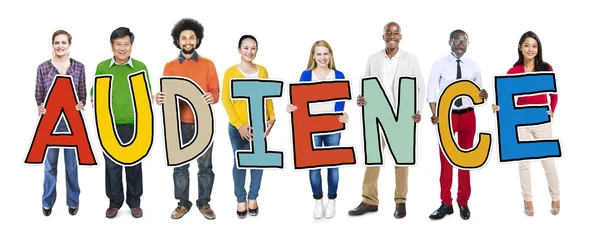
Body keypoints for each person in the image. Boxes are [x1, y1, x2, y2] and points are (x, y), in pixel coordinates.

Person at [348, 22, 425, 219]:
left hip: (401, 117)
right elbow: (366, 82)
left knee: (402, 162)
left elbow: (420, 87)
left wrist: (417, 110)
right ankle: (369, 201)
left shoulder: (410, 59)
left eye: (395, 33)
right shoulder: (373, 59)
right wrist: (361, 98)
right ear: (383, 36)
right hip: (378, 117)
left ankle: (400, 202)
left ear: (401, 37)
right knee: (373, 159)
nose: (392, 36)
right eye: (388, 33)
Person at [155, 18, 220, 220]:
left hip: (204, 123)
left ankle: (204, 203)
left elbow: (216, 92)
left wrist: (212, 96)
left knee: (205, 166)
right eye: (184, 38)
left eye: (192, 37)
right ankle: (183, 203)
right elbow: (166, 95)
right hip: (179, 124)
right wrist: (159, 98)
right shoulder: (170, 66)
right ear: (178, 40)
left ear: (198, 39)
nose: (188, 41)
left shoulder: (208, 64)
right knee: (180, 166)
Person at [492, 31, 560, 217]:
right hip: (520, 122)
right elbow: (505, 98)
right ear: (520, 47)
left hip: (540, 120)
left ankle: (555, 197)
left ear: (538, 49)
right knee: (524, 163)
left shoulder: (546, 67)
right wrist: (498, 107)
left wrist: (551, 109)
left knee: (548, 161)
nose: (531, 49)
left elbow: (553, 94)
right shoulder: (513, 72)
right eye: (527, 45)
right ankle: (527, 199)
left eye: (534, 46)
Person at [426, 29, 488, 220]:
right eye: (458, 41)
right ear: (450, 42)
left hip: (468, 116)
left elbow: (479, 95)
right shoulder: (439, 64)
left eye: (464, 42)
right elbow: (431, 93)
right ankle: (446, 203)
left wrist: (484, 96)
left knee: (466, 160)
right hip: (447, 116)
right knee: (446, 161)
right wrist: (434, 114)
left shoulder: (474, 66)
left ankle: (463, 202)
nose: (461, 45)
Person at [91, 27, 151, 219]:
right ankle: (114, 202)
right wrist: (92, 98)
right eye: (118, 44)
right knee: (112, 165)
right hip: (109, 124)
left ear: (131, 46)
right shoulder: (102, 67)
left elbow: (147, 92)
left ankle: (135, 202)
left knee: (134, 164)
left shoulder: (140, 66)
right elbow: (96, 91)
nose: (122, 48)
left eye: (126, 44)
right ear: (112, 46)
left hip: (135, 123)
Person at [286, 40, 350, 219]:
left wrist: (345, 117)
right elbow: (298, 100)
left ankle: (332, 200)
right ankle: (317, 200)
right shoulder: (306, 75)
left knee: (332, 164)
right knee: (313, 165)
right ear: (313, 56)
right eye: (319, 54)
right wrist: (290, 108)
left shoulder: (338, 75)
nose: (322, 57)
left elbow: (340, 103)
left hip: (332, 127)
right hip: (310, 127)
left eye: (325, 53)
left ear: (330, 55)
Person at [221, 35, 276, 219]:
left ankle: (253, 197)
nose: (249, 52)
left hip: (258, 125)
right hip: (238, 128)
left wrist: (271, 117)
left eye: (253, 48)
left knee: (258, 162)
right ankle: (240, 199)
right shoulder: (230, 72)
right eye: (245, 48)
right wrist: (239, 125)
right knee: (240, 163)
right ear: (239, 49)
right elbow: (226, 100)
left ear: (257, 50)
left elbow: (268, 96)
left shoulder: (262, 71)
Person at [35, 29, 86, 217]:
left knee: (72, 166)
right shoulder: (43, 68)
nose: (60, 46)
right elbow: (39, 94)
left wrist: (81, 103)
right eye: (57, 42)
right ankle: (47, 201)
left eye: (63, 42)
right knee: (50, 166)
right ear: (52, 45)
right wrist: (40, 106)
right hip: (50, 125)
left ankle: (73, 201)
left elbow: (82, 94)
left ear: (69, 45)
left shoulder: (79, 67)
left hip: (72, 125)